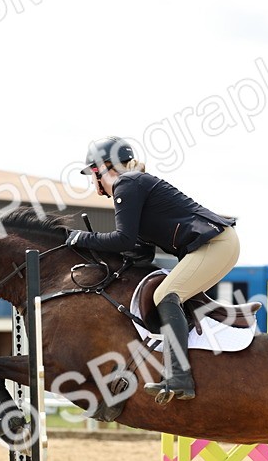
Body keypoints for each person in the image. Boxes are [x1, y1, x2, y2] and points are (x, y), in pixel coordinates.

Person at [65, 136, 239, 404]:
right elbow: (140, 250)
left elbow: (122, 239)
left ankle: (179, 376)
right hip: (214, 246)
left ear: (101, 169)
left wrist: (80, 238)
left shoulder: (127, 183)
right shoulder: (134, 185)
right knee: (172, 298)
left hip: (215, 245)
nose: (92, 182)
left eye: (91, 174)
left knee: (165, 296)